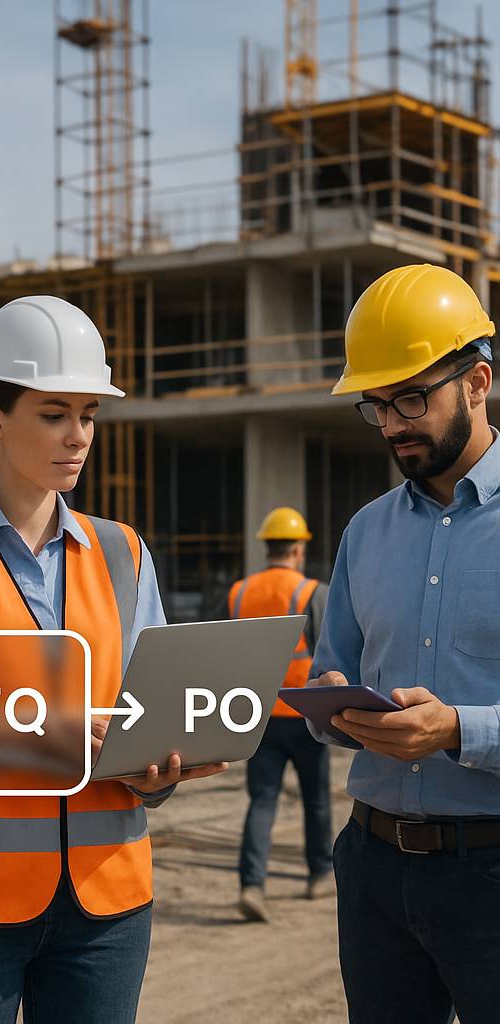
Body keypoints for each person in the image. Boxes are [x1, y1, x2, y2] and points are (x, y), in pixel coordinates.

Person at [0, 295, 227, 1024]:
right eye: (54, 413)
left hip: (106, 908)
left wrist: (158, 771)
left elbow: (145, 711)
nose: (78, 435)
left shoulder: (125, 554)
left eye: (88, 414)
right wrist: (40, 736)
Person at [307, 263, 500, 1024]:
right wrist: (333, 703)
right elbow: (336, 673)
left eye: (411, 398)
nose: (391, 423)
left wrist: (456, 728)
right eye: (376, 405)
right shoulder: (366, 530)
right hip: (373, 872)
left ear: (479, 381)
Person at [230, 507, 334, 922]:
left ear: (267, 546)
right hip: (304, 714)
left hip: (256, 719)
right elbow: (330, 658)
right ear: (297, 548)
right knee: (316, 800)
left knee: (262, 801)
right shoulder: (312, 592)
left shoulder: (239, 592)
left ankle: (252, 885)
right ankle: (320, 875)